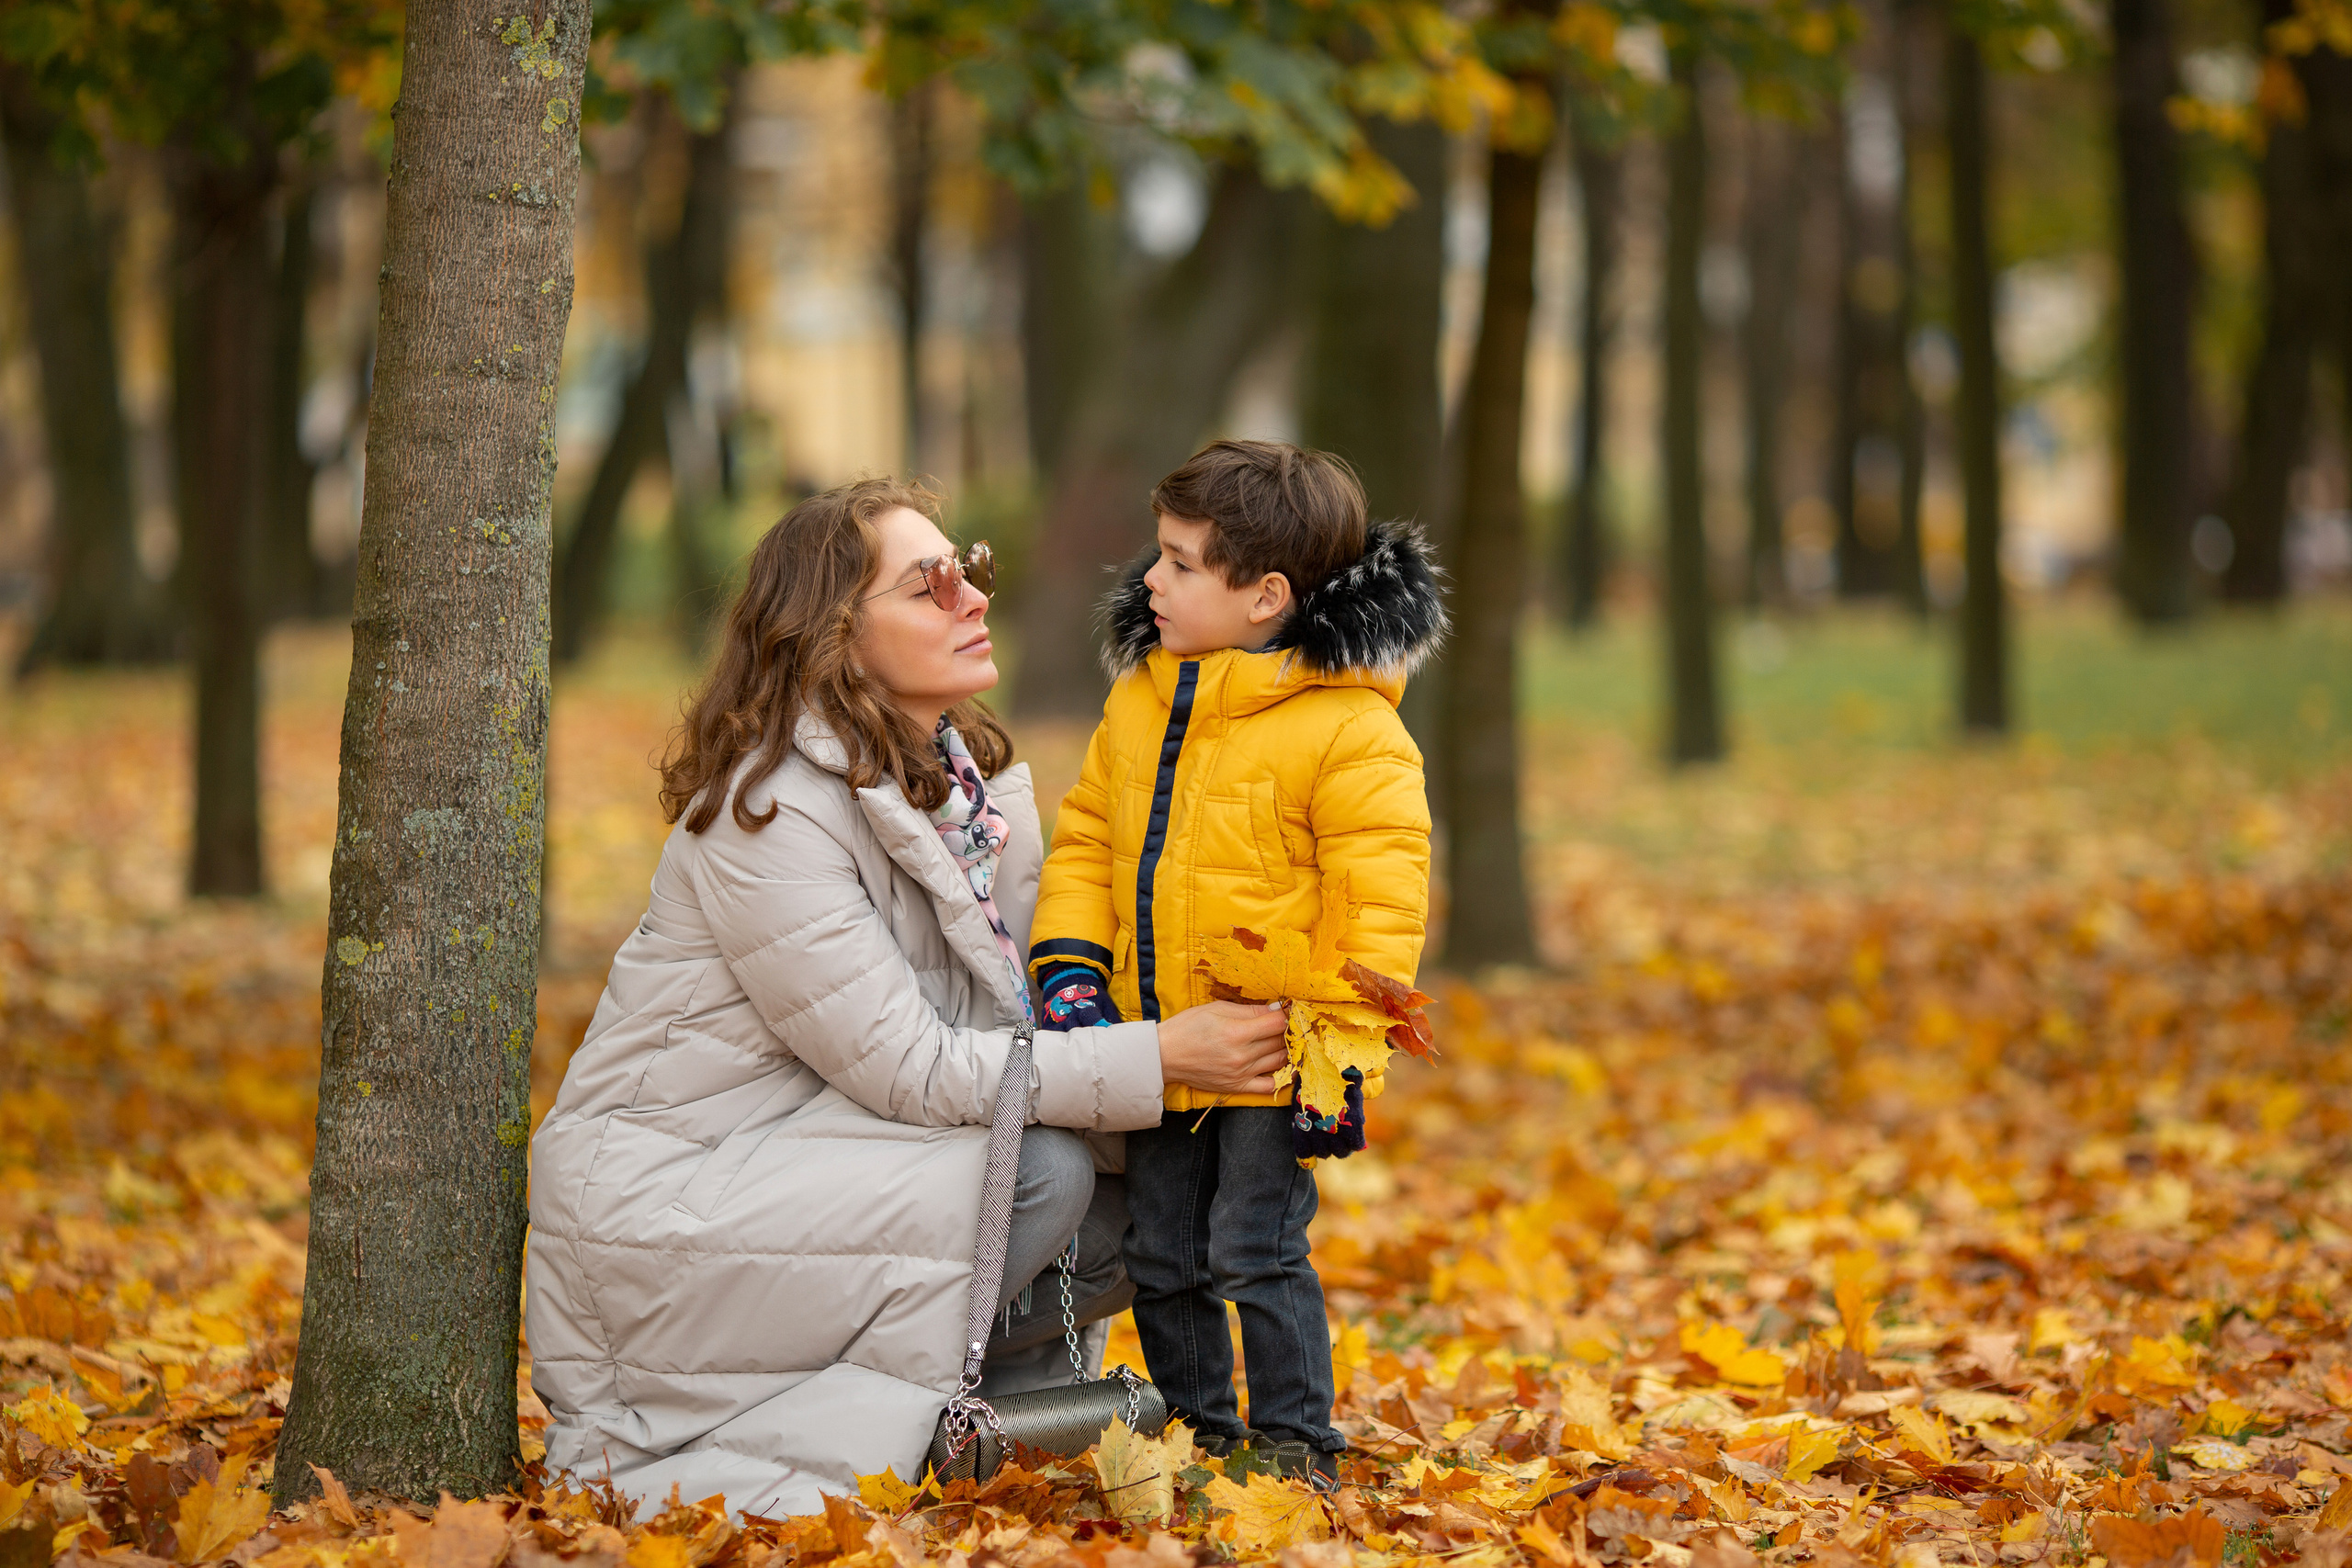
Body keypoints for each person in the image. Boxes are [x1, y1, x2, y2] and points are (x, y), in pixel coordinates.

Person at [525, 478, 1291, 1517]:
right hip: (671, 1214)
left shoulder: (965, 790)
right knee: (1045, 1168)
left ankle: (978, 1417)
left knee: (1170, 1178)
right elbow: (910, 1067)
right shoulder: (765, 812)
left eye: (966, 568)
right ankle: (893, 1419)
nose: (973, 597)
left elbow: (1045, 1006)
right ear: (834, 635)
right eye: (929, 585)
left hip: (825, 1169)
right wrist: (1163, 1059)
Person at [1025, 440, 1445, 1488]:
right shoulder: (1144, 700)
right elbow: (1087, 842)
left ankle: (1298, 1446)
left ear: (1263, 596)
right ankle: (1203, 1435)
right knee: (1162, 1257)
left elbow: (1377, 918)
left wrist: (1336, 1067)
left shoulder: (1350, 730)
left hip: (1271, 1051)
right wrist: (1072, 970)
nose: (1148, 580)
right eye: (1156, 556)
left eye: (1177, 562)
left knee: (1252, 1248)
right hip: (1160, 1042)